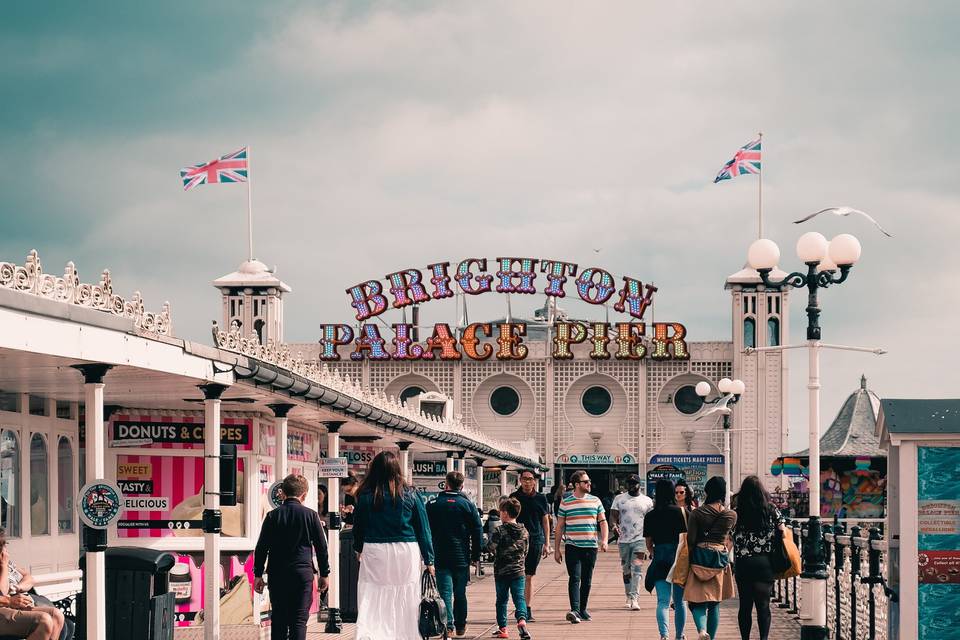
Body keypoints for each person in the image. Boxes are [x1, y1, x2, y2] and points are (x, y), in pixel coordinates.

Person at [353, 451, 435, 640]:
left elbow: (359, 526)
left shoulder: (366, 494)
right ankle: (405, 634)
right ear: (397, 469)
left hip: (375, 548)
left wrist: (358, 548)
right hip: (406, 549)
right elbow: (423, 528)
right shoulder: (411, 493)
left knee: (372, 591)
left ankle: (372, 633)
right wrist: (429, 559)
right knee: (407, 591)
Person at [253, 474, 330, 640]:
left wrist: (258, 574)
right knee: (299, 621)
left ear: (282, 493)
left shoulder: (272, 516)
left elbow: (261, 548)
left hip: (277, 574)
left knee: (279, 619)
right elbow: (322, 547)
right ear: (304, 495)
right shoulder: (311, 515)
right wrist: (324, 574)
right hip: (302, 574)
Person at [425, 471, 482, 638]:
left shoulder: (433, 504)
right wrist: (476, 554)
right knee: (460, 592)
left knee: (445, 593)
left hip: (440, 556)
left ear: (446, 484)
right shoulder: (467, 505)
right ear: (462, 486)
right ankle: (461, 626)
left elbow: (425, 530)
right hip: (461, 557)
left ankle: (447, 626)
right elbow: (477, 530)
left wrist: (427, 555)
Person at [732, 476, 786, 640]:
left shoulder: (736, 511)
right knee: (763, 606)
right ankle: (763, 638)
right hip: (765, 562)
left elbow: (729, 534)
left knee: (745, 606)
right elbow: (782, 530)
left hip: (743, 563)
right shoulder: (771, 509)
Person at [683, 476, 737, 640]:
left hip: (699, 558)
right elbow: (729, 537)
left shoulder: (697, 513)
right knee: (714, 603)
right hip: (719, 559)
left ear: (707, 491)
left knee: (697, 601)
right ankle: (711, 638)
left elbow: (691, 539)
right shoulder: (731, 515)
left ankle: (701, 630)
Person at [554, 469, 608, 624]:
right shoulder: (566, 502)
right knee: (575, 577)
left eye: (589, 481)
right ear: (577, 484)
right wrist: (556, 549)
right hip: (572, 545)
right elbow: (560, 527)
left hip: (590, 546)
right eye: (586, 482)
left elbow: (602, 522)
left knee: (587, 579)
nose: (589, 484)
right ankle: (575, 610)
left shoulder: (595, 500)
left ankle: (583, 609)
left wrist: (604, 540)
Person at [0, 529, 64, 640]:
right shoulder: (3, 563)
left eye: (4, 544)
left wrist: (17, 588)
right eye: (2, 545)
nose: (5, 549)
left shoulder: (7, 562)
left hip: (12, 604)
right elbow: (2, 592)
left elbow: (29, 577)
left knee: (56, 615)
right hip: (4, 607)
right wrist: (3, 565)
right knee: (43, 620)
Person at [644, 479, 688, 640]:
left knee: (663, 601)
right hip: (679, 560)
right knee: (680, 601)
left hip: (660, 559)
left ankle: (664, 635)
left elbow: (648, 543)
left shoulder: (650, 515)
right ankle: (680, 636)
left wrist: (654, 552)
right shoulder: (682, 513)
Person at [485, 497, 530, 639]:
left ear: (504, 513)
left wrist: (486, 544)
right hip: (518, 571)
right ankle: (522, 620)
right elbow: (526, 551)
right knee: (519, 599)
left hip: (502, 572)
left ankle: (503, 629)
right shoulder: (524, 531)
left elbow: (491, 548)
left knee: (502, 601)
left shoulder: (499, 530)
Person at [509, 470, 550, 622]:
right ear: (520, 480)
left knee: (529, 575)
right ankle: (520, 607)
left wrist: (547, 543)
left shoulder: (541, 498)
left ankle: (527, 608)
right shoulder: (514, 497)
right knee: (517, 575)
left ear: (534, 481)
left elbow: (545, 520)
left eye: (530, 479)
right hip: (516, 541)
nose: (527, 482)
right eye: (525, 479)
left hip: (535, 540)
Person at [610, 474, 654, 611]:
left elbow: (652, 519)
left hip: (640, 539)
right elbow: (612, 515)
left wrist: (651, 539)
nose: (631, 485)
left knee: (637, 568)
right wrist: (613, 527)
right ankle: (628, 595)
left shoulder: (647, 501)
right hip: (623, 540)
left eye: (633, 483)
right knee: (626, 569)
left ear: (639, 485)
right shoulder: (619, 499)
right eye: (629, 483)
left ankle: (635, 598)